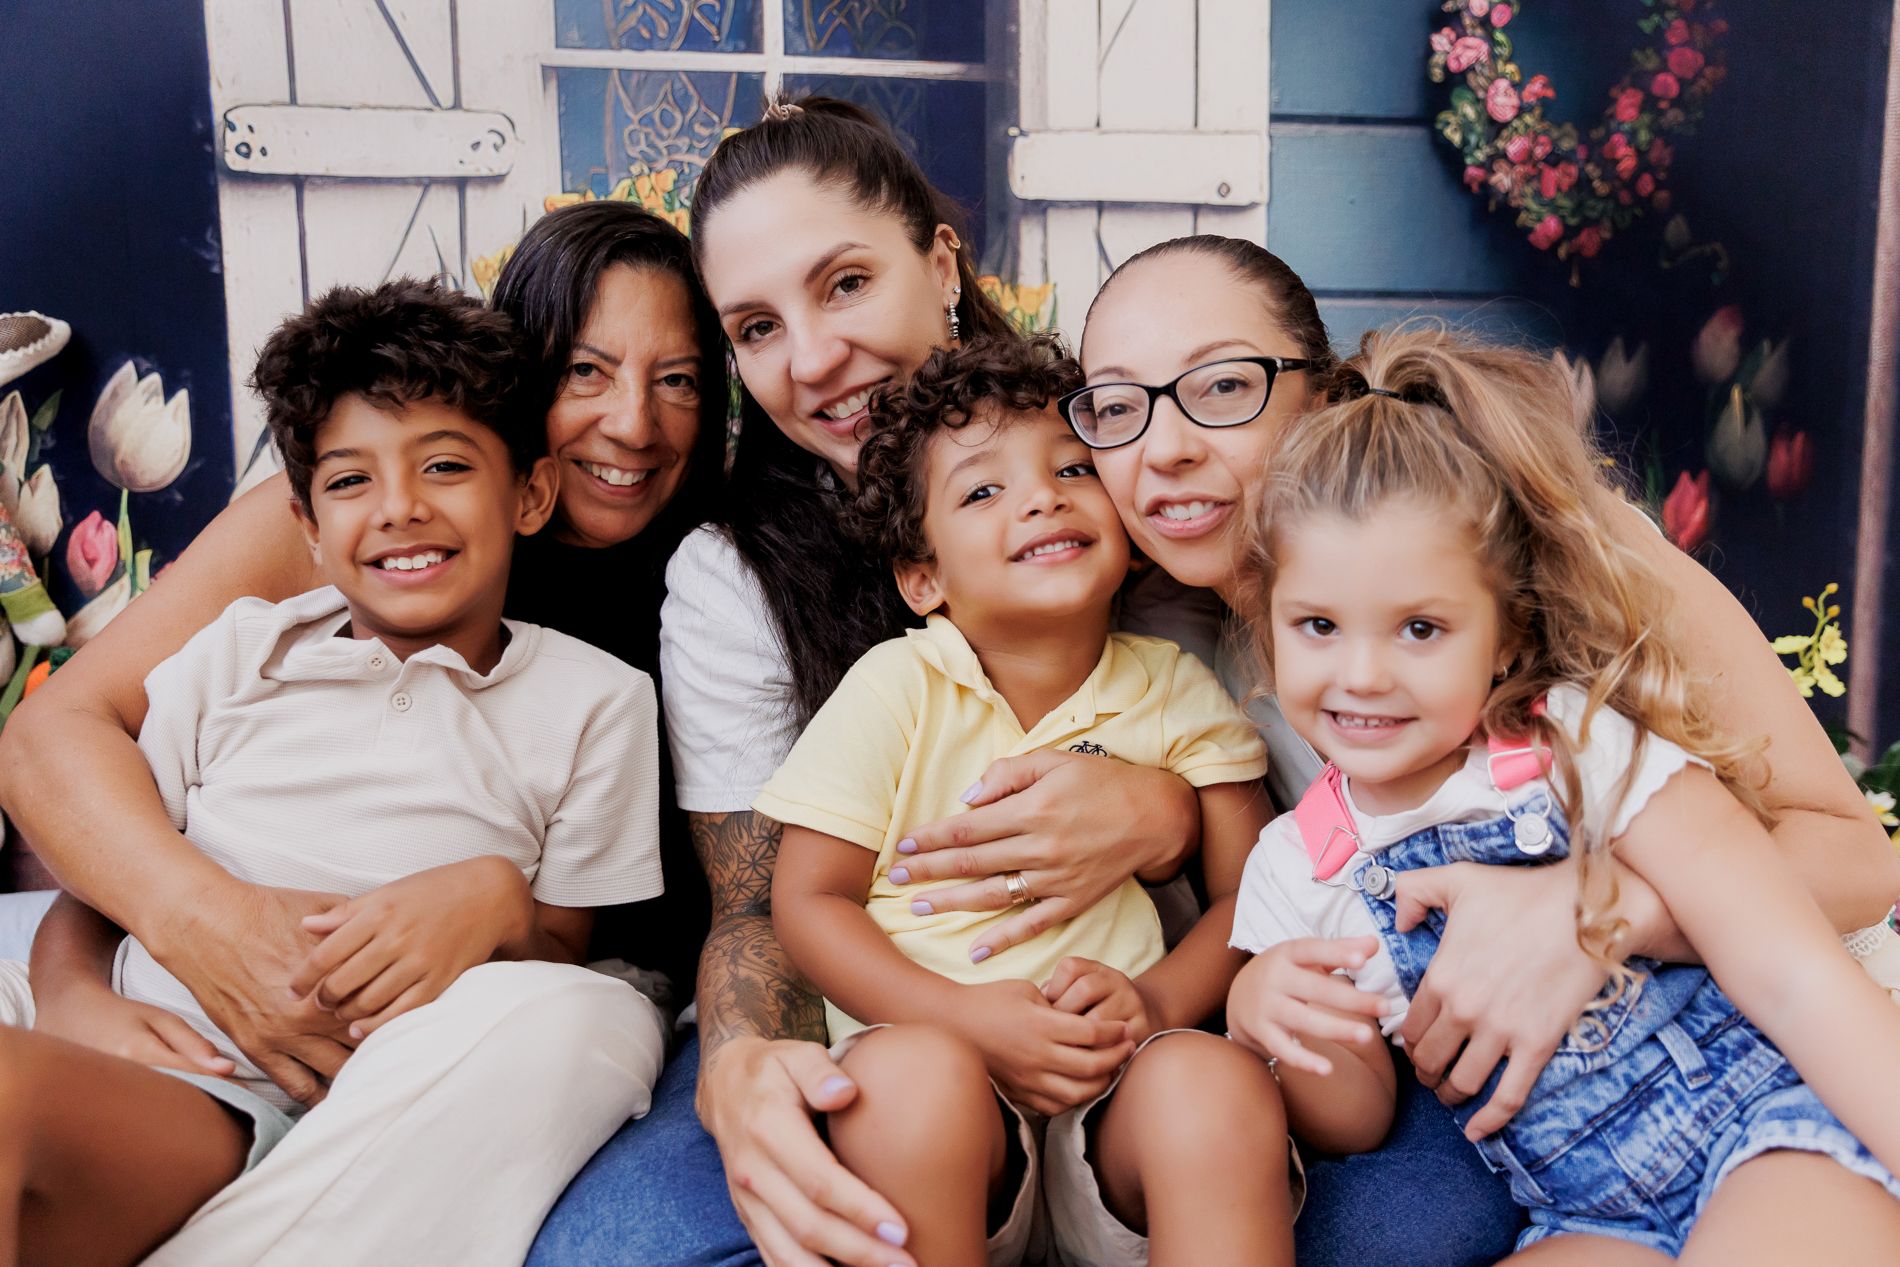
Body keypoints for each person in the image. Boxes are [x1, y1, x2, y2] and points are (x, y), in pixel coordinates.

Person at [1042, 234, 1900, 1262]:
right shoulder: (1161, 659)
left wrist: (1587, 914)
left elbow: (1850, 860)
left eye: (1220, 385)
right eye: (1116, 405)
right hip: (1559, 1156)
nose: (1164, 447)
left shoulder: (1550, 553)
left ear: (1321, 401)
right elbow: (1339, 1067)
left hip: (1783, 1047)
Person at [534, 100, 1215, 1267]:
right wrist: (742, 1066)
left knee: (1405, 1220)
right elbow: (760, 903)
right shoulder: (732, 574)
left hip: (1151, 1017)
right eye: (754, 327)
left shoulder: (1103, 453)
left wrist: (1165, 814)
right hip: (880, 1023)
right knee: (627, 1250)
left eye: (843, 284)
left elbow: (1282, 755)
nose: (808, 361)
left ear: (940, 262)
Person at [0, 202, 728, 1259]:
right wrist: (131, 955)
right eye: (585, 370)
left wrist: (492, 899)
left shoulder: (651, 645)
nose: (634, 423)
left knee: (591, 1033)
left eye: (680, 379)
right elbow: (61, 757)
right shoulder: (268, 625)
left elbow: (572, 953)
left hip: (431, 1060)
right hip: (171, 1048)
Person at [765, 333, 1291, 1265]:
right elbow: (808, 901)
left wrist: (1154, 999)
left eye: (1073, 469)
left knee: (1212, 1087)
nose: (1041, 496)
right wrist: (960, 1018)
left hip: (1123, 1084)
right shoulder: (897, 688)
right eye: (982, 490)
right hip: (938, 1080)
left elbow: (1256, 897)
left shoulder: (1174, 686)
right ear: (922, 577)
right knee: (907, 1086)